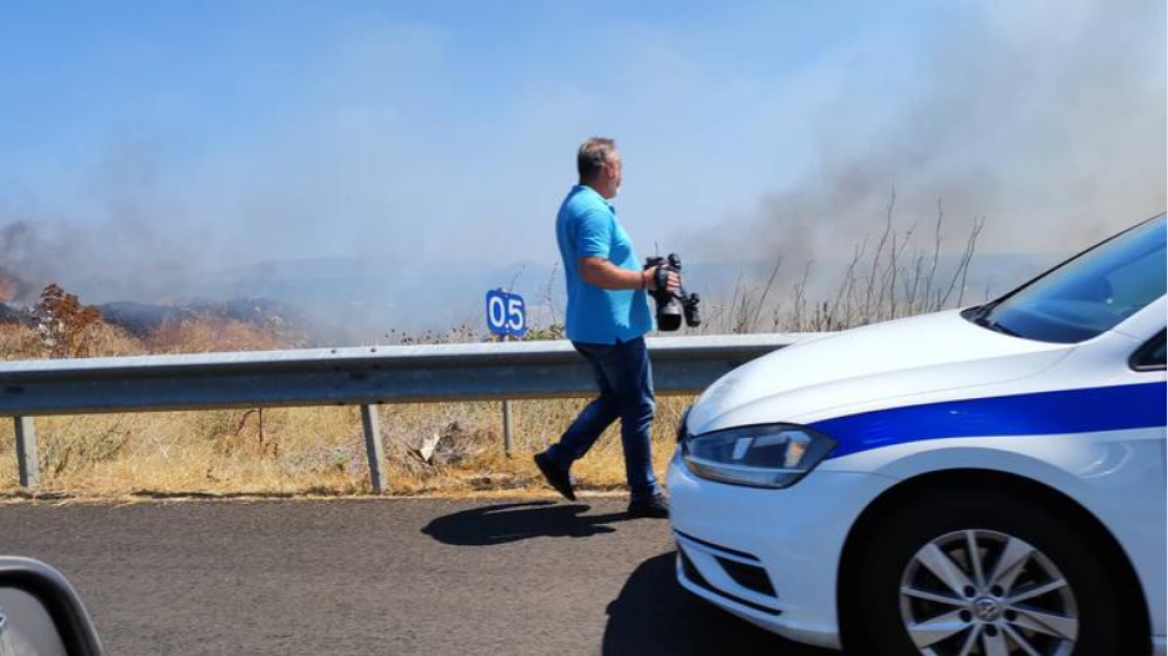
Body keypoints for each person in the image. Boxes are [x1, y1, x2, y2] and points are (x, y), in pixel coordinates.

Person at [533, 137, 679, 519]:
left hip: (590, 326)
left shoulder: (575, 203)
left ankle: (558, 457)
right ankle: (644, 492)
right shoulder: (593, 211)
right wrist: (645, 280)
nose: (622, 175)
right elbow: (592, 267)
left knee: (617, 400)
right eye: (621, 168)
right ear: (609, 168)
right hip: (612, 330)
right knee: (639, 407)